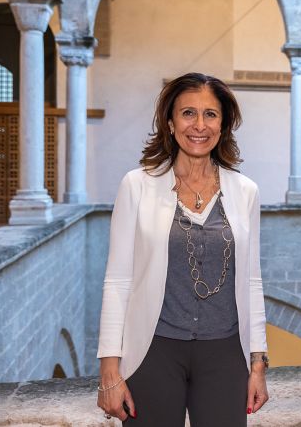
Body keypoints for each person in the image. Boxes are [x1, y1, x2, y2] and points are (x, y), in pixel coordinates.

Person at [96, 73, 269, 426]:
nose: (199, 125)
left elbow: (252, 282)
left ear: (223, 124)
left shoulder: (246, 191)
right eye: (188, 113)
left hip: (225, 353)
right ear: (170, 122)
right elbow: (117, 281)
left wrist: (257, 363)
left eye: (210, 114)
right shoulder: (136, 186)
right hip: (153, 350)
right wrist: (109, 370)